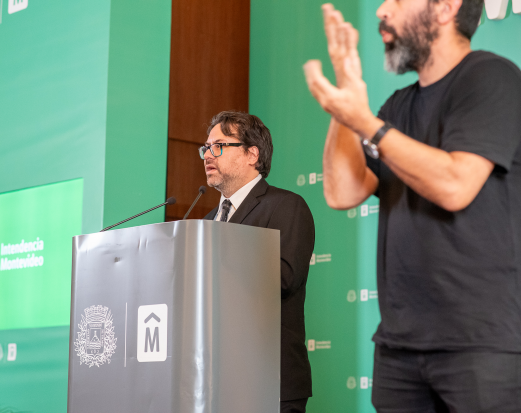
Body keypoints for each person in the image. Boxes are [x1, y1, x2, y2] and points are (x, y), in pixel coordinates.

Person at [302, 0, 521, 410]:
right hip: (399, 348)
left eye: (399, 0)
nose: (383, 10)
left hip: (481, 345)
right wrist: (348, 95)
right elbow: (342, 192)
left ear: (445, 9)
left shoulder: (492, 78)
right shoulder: (397, 107)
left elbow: (456, 185)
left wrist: (366, 122)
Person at [200, 111, 315, 413]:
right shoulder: (206, 221)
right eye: (206, 147)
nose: (208, 155)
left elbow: (284, 278)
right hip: (214, 379)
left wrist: (217, 262)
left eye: (219, 146)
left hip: (269, 378)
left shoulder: (286, 206)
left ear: (252, 154)